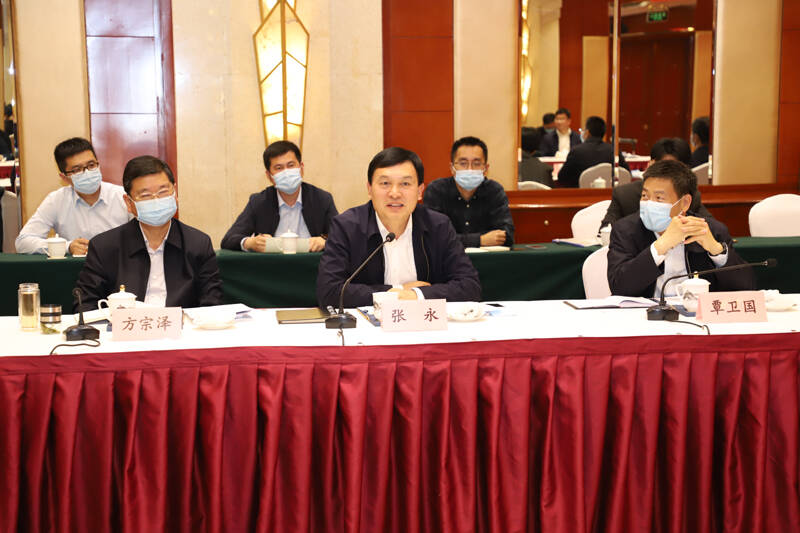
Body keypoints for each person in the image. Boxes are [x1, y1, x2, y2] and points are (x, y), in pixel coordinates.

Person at [317, 147, 481, 308]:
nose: (394, 193)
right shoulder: (346, 227)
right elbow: (329, 292)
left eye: (405, 184)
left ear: (420, 191)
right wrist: (396, 292)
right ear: (369, 189)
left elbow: (470, 286)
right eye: (385, 183)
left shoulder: (438, 226)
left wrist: (416, 295)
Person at [74, 155, 223, 312]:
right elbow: (85, 305)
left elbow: (212, 304)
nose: (156, 200)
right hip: (125, 326)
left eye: (163, 191)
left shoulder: (198, 243)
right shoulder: (104, 247)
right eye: (145, 195)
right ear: (129, 203)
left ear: (175, 193)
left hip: (181, 326)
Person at [607, 159, 753, 298]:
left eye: (659, 198)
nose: (649, 203)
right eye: (645, 196)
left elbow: (747, 287)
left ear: (684, 203)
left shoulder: (711, 230)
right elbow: (619, 287)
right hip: (647, 313)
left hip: (697, 312)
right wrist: (660, 246)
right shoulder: (625, 231)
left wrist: (716, 250)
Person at [15, 137, 130, 255]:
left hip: (118, 264)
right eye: (77, 170)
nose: (87, 172)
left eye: (91, 165)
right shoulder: (56, 200)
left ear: (98, 165)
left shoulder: (123, 196)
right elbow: (23, 242)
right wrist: (67, 247)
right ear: (64, 177)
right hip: (77, 266)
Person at [220, 140, 337, 252]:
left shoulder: (322, 199)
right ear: (269, 176)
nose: (286, 172)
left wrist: (325, 242)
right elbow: (228, 239)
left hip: (312, 264)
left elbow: (341, 238)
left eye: (291, 165)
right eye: (279, 168)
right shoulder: (258, 202)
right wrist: (249, 243)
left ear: (301, 168)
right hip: (271, 265)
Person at [599, 137, 712, 230]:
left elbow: (710, 228)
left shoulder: (687, 196)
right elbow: (605, 231)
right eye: (665, 169)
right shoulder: (624, 195)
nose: (669, 176)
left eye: (675, 170)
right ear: (650, 165)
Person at [423, 136, 514, 247]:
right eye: (463, 163)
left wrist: (456, 239)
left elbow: (507, 235)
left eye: (476, 164)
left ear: (486, 169)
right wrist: (480, 240)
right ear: (452, 168)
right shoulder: (436, 190)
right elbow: (432, 236)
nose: (470, 169)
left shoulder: (494, 191)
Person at [554, 116, 617, 188]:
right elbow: (625, 173)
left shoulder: (577, 151)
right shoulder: (613, 150)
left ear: (587, 132)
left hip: (581, 193)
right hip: (609, 192)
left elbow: (562, 177)